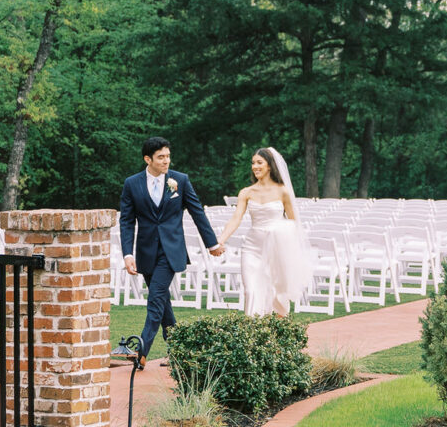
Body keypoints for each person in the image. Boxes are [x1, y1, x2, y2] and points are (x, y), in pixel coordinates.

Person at [113, 136, 223, 360]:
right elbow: (126, 221)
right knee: (162, 302)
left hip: (171, 251)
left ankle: (141, 351)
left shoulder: (180, 181)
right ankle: (179, 350)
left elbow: (197, 212)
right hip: (145, 251)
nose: (166, 161)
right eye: (161, 157)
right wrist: (127, 253)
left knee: (155, 299)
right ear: (148, 159)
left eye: (168, 156)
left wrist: (212, 243)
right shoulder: (131, 184)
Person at [220, 147, 315, 316]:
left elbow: (294, 222)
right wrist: (221, 239)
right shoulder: (246, 192)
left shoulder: (283, 191)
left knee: (275, 293)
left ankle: (276, 334)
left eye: (259, 163)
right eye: (253, 163)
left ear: (269, 166)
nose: (255, 166)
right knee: (251, 291)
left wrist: (286, 243)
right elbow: (236, 219)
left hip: (276, 248)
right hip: (252, 247)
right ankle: (252, 334)